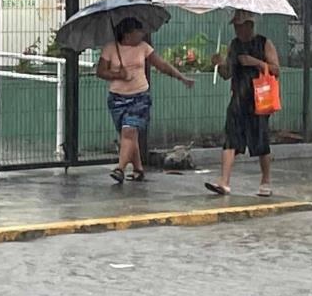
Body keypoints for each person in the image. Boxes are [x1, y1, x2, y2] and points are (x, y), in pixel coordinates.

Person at [96, 17, 195, 184]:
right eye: (138, 32)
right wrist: (117, 75)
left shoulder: (143, 48)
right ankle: (138, 168)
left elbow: (161, 64)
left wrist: (181, 77)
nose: (142, 34)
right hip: (117, 98)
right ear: (127, 34)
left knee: (129, 131)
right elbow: (100, 71)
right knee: (129, 136)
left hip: (139, 97)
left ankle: (120, 168)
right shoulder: (111, 49)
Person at [206, 11, 281, 197]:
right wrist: (220, 63)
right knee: (230, 139)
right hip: (238, 98)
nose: (237, 29)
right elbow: (227, 74)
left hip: (258, 100)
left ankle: (265, 181)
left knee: (261, 141)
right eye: (235, 26)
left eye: (240, 26)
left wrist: (255, 62)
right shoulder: (234, 45)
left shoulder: (264, 43)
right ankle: (224, 182)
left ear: (250, 25)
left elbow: (276, 70)